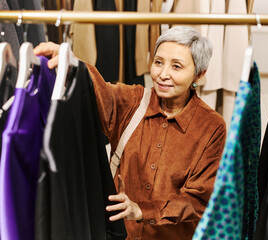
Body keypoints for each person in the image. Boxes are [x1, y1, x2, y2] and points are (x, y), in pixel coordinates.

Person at [34, 25, 226, 240]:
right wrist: (74, 63)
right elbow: (100, 91)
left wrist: (142, 210)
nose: (163, 74)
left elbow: (199, 199)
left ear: (199, 74)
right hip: (120, 235)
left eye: (177, 67)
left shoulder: (211, 126)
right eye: (158, 62)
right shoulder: (133, 101)